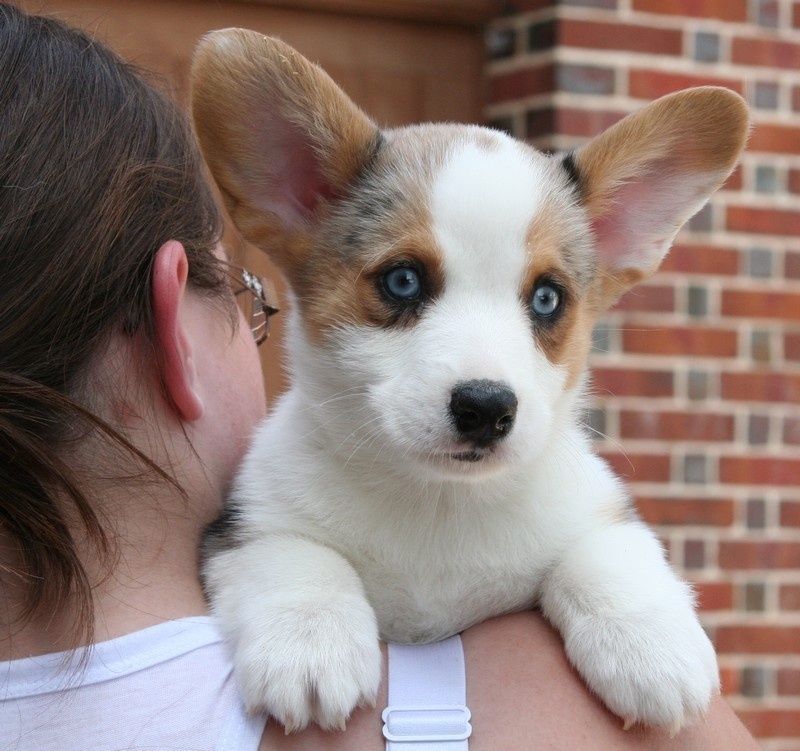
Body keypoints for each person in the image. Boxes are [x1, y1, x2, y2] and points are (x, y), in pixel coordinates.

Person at [0, 3, 759, 749]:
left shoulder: (575, 512)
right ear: (298, 204)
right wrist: (302, 590)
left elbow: (602, 540)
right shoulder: (282, 496)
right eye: (403, 282)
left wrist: (613, 596)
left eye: (545, 299)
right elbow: (256, 545)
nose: (486, 380)